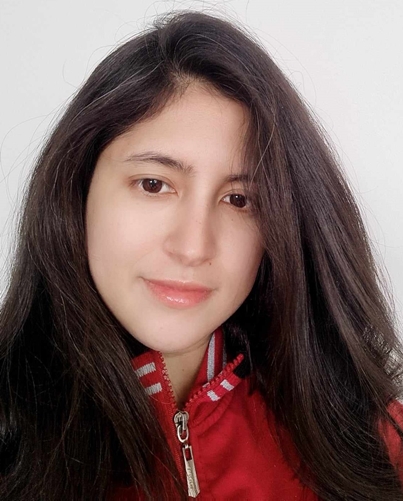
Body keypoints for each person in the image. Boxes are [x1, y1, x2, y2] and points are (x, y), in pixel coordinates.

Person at [0, 10, 402, 501]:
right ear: (78, 189)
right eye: (154, 184)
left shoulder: (373, 441)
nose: (193, 248)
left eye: (239, 199)